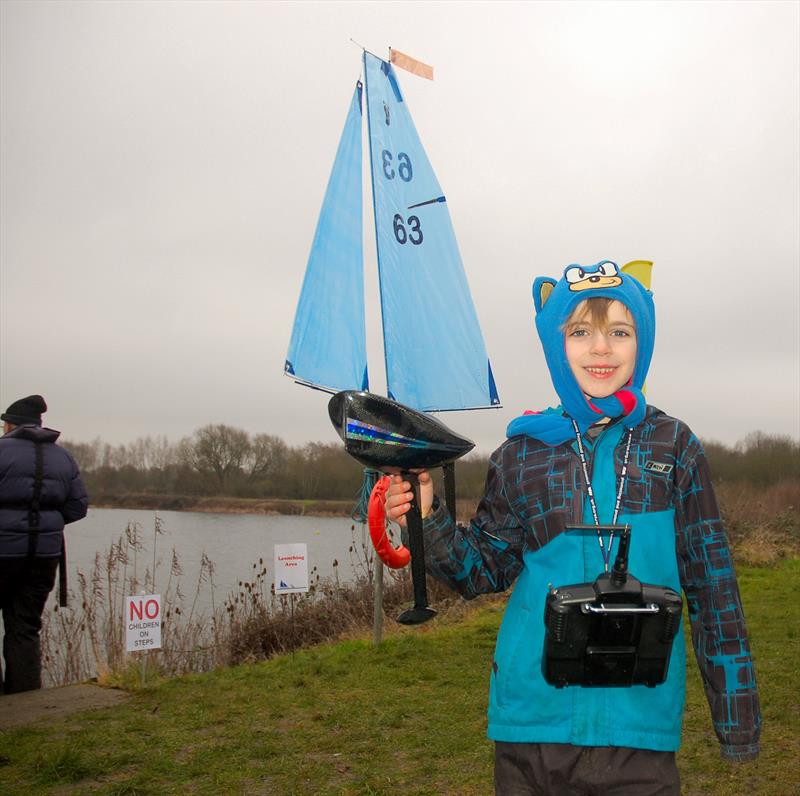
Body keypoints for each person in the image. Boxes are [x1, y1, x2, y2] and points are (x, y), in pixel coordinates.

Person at [385, 261, 761, 795]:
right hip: (532, 724)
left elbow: (713, 588)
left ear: (643, 342)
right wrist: (427, 516)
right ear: (555, 345)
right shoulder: (522, 454)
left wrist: (736, 719)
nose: (600, 348)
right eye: (580, 331)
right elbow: (483, 568)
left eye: (619, 332)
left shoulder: (674, 448)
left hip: (640, 728)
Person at [0, 394, 88, 694]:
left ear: (10, 425)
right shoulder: (63, 457)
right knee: (25, 627)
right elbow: (77, 507)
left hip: (3, 552)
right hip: (44, 556)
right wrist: (47, 523)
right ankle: (25, 701)